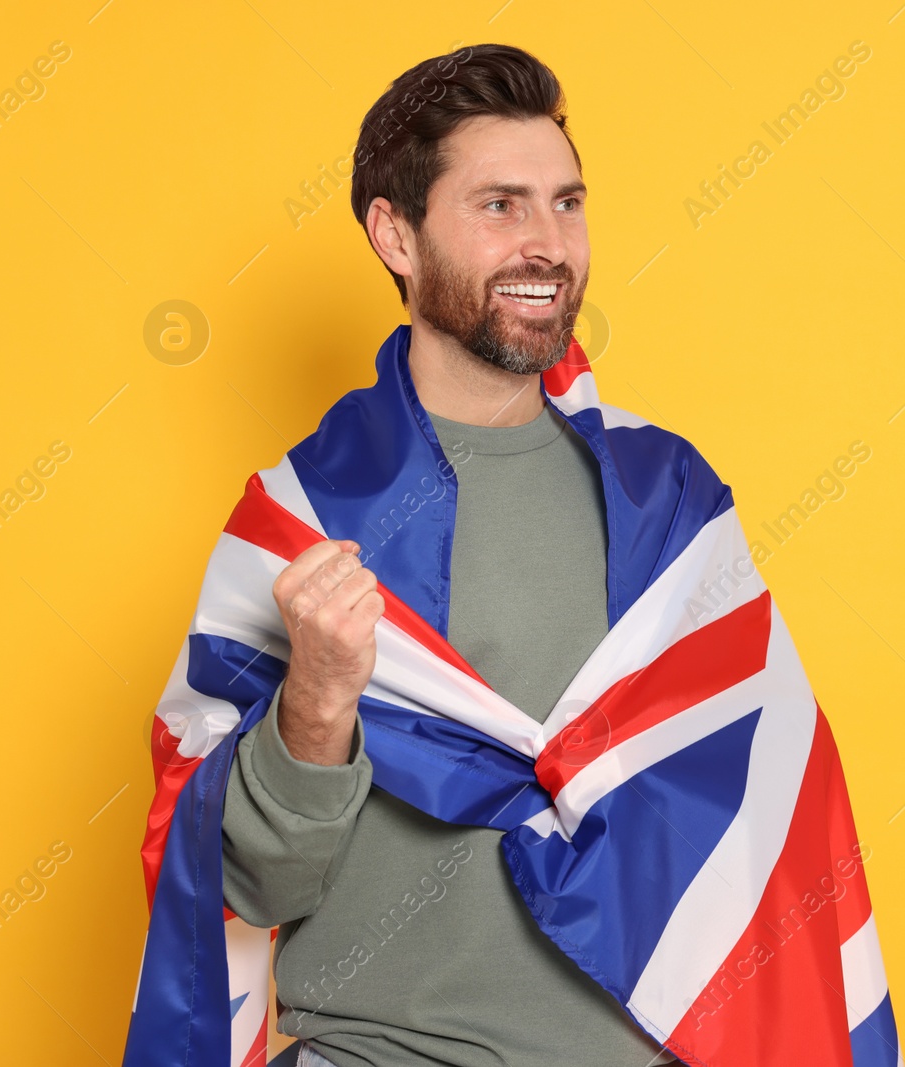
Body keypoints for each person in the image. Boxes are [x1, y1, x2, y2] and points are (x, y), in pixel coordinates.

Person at [219, 44, 682, 1067]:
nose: (546, 243)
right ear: (395, 232)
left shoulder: (666, 495)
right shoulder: (303, 517)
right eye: (500, 205)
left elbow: (750, 810)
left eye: (565, 202)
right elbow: (250, 883)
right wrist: (319, 700)